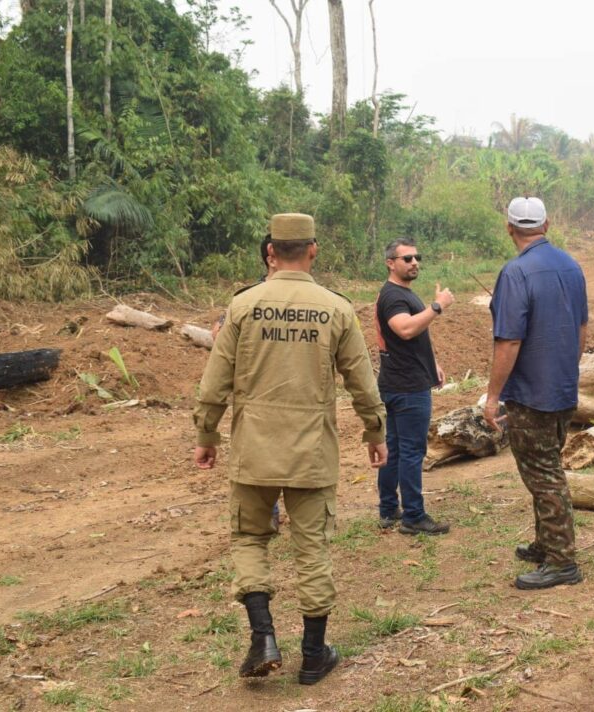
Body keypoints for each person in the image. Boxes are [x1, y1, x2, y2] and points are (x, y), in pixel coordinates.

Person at [192, 213, 387, 685]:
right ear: (314, 250)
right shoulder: (336, 309)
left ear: (271, 252)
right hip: (311, 453)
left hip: (253, 449)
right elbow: (362, 379)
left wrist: (206, 435)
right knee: (311, 548)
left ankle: (263, 636)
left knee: (249, 539)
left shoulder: (243, 306)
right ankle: (315, 656)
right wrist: (374, 431)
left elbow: (214, 382)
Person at [484, 197, 588, 590]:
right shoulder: (572, 266)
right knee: (545, 467)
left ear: (509, 228)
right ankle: (547, 543)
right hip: (562, 387)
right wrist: (567, 371)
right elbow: (580, 330)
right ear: (547, 224)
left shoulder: (515, 273)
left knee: (544, 475)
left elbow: (508, 342)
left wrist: (492, 398)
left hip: (530, 394)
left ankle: (563, 561)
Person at [373, 237, 454, 535]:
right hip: (407, 387)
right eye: (407, 259)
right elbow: (405, 329)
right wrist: (438, 306)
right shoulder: (394, 296)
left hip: (401, 382)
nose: (414, 262)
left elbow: (416, 332)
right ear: (390, 263)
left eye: (416, 257)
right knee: (410, 451)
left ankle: (388, 509)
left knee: (394, 449)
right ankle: (413, 516)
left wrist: (433, 363)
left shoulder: (400, 293)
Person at [211, 237, 282, 533]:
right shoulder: (249, 298)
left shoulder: (309, 296)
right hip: (260, 393)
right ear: (271, 256)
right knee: (263, 456)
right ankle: (269, 515)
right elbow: (219, 333)